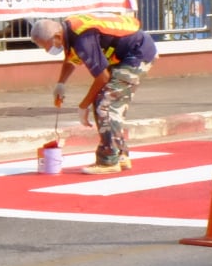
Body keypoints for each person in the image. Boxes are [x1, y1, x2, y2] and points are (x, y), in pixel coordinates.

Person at [31, 13, 157, 175]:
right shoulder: (69, 29)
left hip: (137, 54)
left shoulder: (83, 39)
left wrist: (83, 106)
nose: (47, 50)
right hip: (126, 55)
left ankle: (109, 160)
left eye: (46, 45)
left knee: (104, 104)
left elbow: (102, 77)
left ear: (56, 35)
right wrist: (61, 84)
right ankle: (120, 154)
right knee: (105, 103)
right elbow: (71, 59)